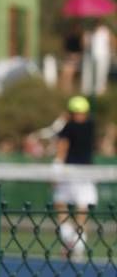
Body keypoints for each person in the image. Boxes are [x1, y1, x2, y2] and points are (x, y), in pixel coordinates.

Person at [53, 96, 97, 260]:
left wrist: (56, 167)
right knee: (80, 210)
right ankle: (76, 245)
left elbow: (62, 147)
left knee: (63, 206)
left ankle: (72, 243)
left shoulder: (68, 127)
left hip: (71, 172)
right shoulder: (91, 126)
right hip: (85, 173)